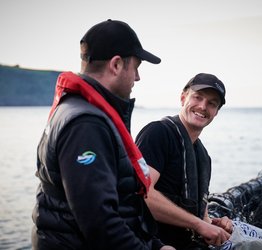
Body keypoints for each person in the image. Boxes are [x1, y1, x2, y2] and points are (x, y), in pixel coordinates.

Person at [31, 19, 174, 250]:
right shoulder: (86, 125)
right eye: (136, 67)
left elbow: (120, 205)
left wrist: (156, 245)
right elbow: (100, 224)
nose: (137, 77)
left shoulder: (80, 112)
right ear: (116, 65)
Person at [135, 73, 232, 249]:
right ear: (183, 97)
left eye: (212, 103)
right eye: (198, 97)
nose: (203, 106)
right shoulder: (157, 133)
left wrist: (212, 224)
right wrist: (199, 224)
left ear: (216, 112)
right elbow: (142, 193)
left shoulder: (203, 157)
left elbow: (199, 216)